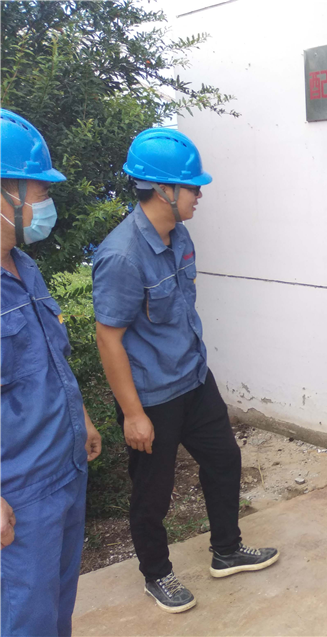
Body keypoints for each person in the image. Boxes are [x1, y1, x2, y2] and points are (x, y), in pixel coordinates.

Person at [92, 128, 278, 614]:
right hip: (151, 395)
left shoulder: (178, 234)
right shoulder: (121, 255)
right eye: (193, 187)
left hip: (194, 378)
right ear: (163, 190)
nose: (199, 195)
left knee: (224, 459)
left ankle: (226, 550)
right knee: (153, 493)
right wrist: (133, 414)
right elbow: (108, 338)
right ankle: (156, 574)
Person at [0, 108, 102, 636]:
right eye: (38, 190)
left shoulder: (25, 266)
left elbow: (50, 357)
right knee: (25, 619)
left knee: (56, 610)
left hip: (62, 470)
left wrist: (81, 418)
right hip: (18, 493)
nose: (46, 203)